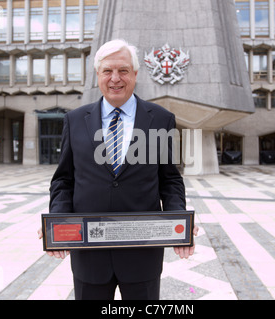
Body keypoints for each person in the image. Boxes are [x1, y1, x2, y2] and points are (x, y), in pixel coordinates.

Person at [38, 39, 198, 300]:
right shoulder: (75, 120)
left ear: (135, 74)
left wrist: (178, 218)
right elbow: (64, 180)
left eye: (123, 70)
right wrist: (58, 220)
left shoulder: (160, 119)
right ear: (97, 75)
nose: (115, 78)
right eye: (107, 71)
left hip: (142, 255)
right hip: (89, 256)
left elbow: (169, 180)